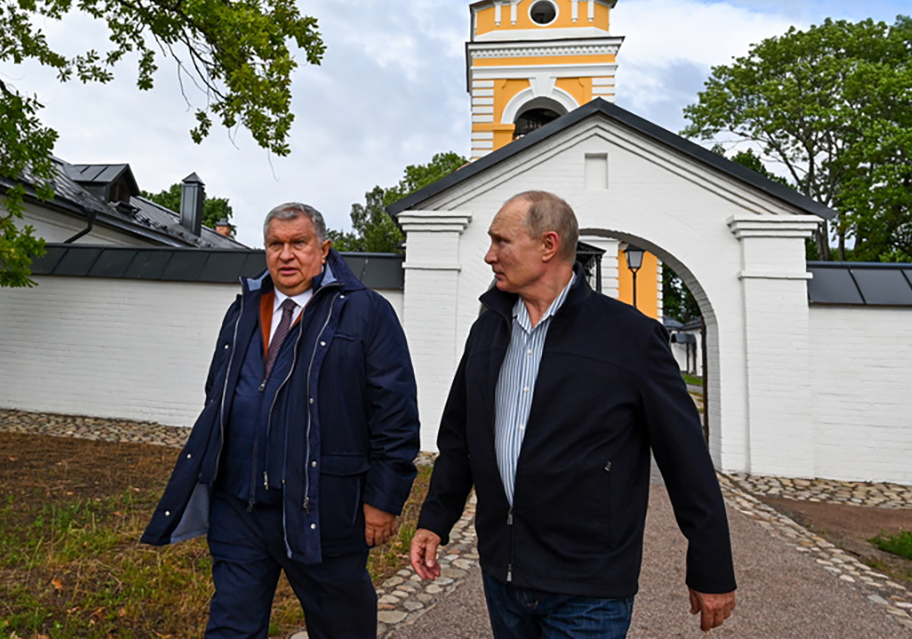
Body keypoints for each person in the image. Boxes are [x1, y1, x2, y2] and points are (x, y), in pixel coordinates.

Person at [409, 191, 736, 639]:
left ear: (548, 245)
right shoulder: (488, 328)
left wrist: (711, 566)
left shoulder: (632, 338)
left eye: (502, 241)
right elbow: (460, 437)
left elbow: (686, 459)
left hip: (589, 586)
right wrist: (435, 520)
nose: (489, 255)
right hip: (503, 576)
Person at [143, 202, 420, 639]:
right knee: (231, 627)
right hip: (240, 507)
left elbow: (396, 414)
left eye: (299, 243)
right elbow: (219, 389)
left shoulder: (366, 312)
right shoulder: (244, 309)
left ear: (323, 250)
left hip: (323, 509)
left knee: (341, 627)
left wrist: (384, 499)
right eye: (275, 244)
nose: (286, 255)